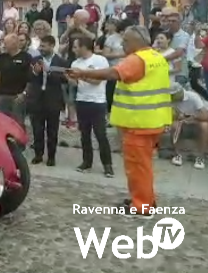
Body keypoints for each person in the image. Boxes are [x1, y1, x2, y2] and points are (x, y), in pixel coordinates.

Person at [66, 25, 172, 217]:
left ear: (136, 42)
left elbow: (113, 74)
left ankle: (141, 206)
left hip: (138, 122)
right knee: (144, 165)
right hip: (153, 120)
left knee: (137, 167)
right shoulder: (156, 57)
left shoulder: (136, 59)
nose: (122, 44)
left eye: (125, 41)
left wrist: (82, 73)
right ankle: (146, 199)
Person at [70, 35, 113, 177]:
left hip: (97, 102)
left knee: (100, 134)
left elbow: (97, 81)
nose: (74, 49)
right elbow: (76, 84)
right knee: (84, 134)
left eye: (76, 47)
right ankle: (86, 162)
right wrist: (70, 78)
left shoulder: (100, 60)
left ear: (83, 47)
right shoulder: (75, 63)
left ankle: (107, 165)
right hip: (82, 100)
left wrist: (81, 76)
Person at [27, 35, 68, 166]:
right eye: (40, 46)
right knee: (37, 130)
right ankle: (38, 155)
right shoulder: (34, 60)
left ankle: (51, 156)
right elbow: (28, 77)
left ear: (52, 46)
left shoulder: (61, 62)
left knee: (52, 130)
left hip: (53, 100)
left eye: (44, 46)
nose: (41, 48)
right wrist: (35, 72)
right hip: (37, 100)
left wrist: (49, 71)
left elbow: (64, 79)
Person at [0, 34, 31, 126]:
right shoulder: (2, 57)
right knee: (2, 123)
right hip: (2, 96)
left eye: (6, 43)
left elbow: (30, 78)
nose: (4, 45)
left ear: (14, 43)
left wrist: (24, 93)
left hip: (17, 97)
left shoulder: (26, 57)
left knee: (18, 123)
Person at [168, 83, 207, 169]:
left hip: (196, 121)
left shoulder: (193, 97)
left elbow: (205, 115)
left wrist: (193, 117)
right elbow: (170, 117)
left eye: (173, 95)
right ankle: (177, 155)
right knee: (174, 126)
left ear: (180, 92)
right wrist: (178, 116)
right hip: (182, 123)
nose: (171, 97)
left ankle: (200, 157)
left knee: (205, 126)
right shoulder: (171, 100)